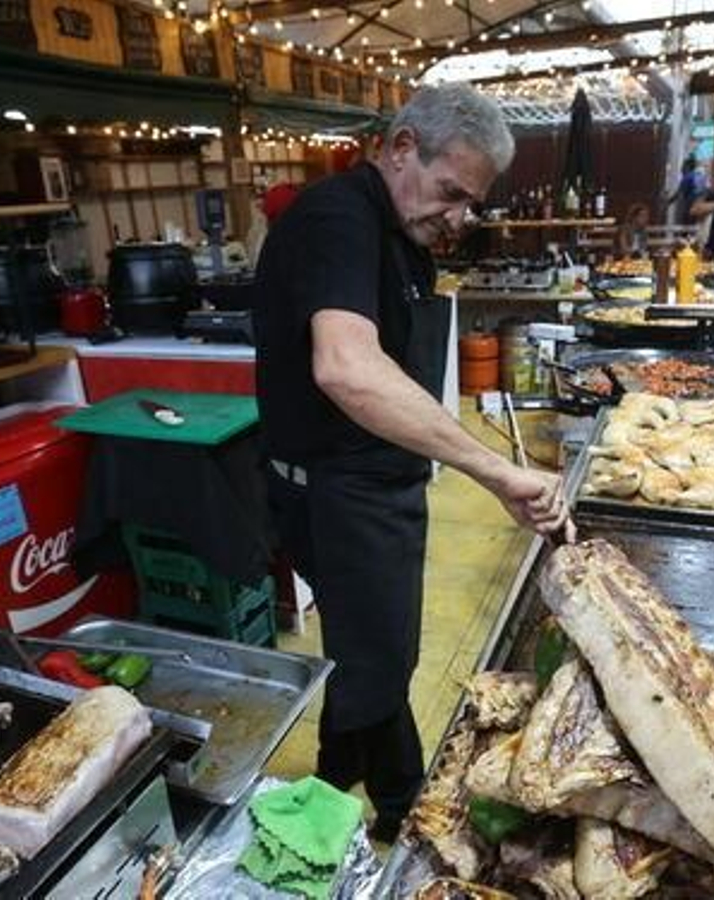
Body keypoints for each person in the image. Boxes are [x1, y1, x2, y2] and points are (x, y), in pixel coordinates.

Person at [252, 84, 572, 842]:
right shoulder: (337, 218)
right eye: (450, 193)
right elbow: (347, 370)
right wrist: (494, 471)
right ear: (401, 148)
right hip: (341, 492)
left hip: (375, 484)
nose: (458, 218)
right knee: (378, 667)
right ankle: (353, 818)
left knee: (379, 660)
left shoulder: (399, 231)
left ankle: (391, 800)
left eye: (471, 204)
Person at [668, 155, 705, 224]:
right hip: (700, 208)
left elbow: (679, 193)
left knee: (686, 229)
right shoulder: (699, 176)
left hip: (690, 207)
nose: (681, 169)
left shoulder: (687, 177)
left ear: (687, 167)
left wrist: (668, 201)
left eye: (683, 166)